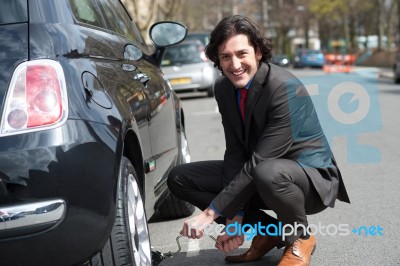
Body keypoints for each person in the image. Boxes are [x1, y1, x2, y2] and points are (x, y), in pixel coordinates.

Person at [168, 15, 350, 265]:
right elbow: (235, 151)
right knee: (180, 178)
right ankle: (268, 233)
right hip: (262, 172)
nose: (235, 64)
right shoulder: (223, 88)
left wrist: (211, 213)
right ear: (217, 60)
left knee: (266, 171)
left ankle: (300, 237)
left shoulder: (284, 88)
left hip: (307, 179)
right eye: (225, 57)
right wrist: (235, 217)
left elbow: (261, 160)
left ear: (259, 53)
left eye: (242, 54)